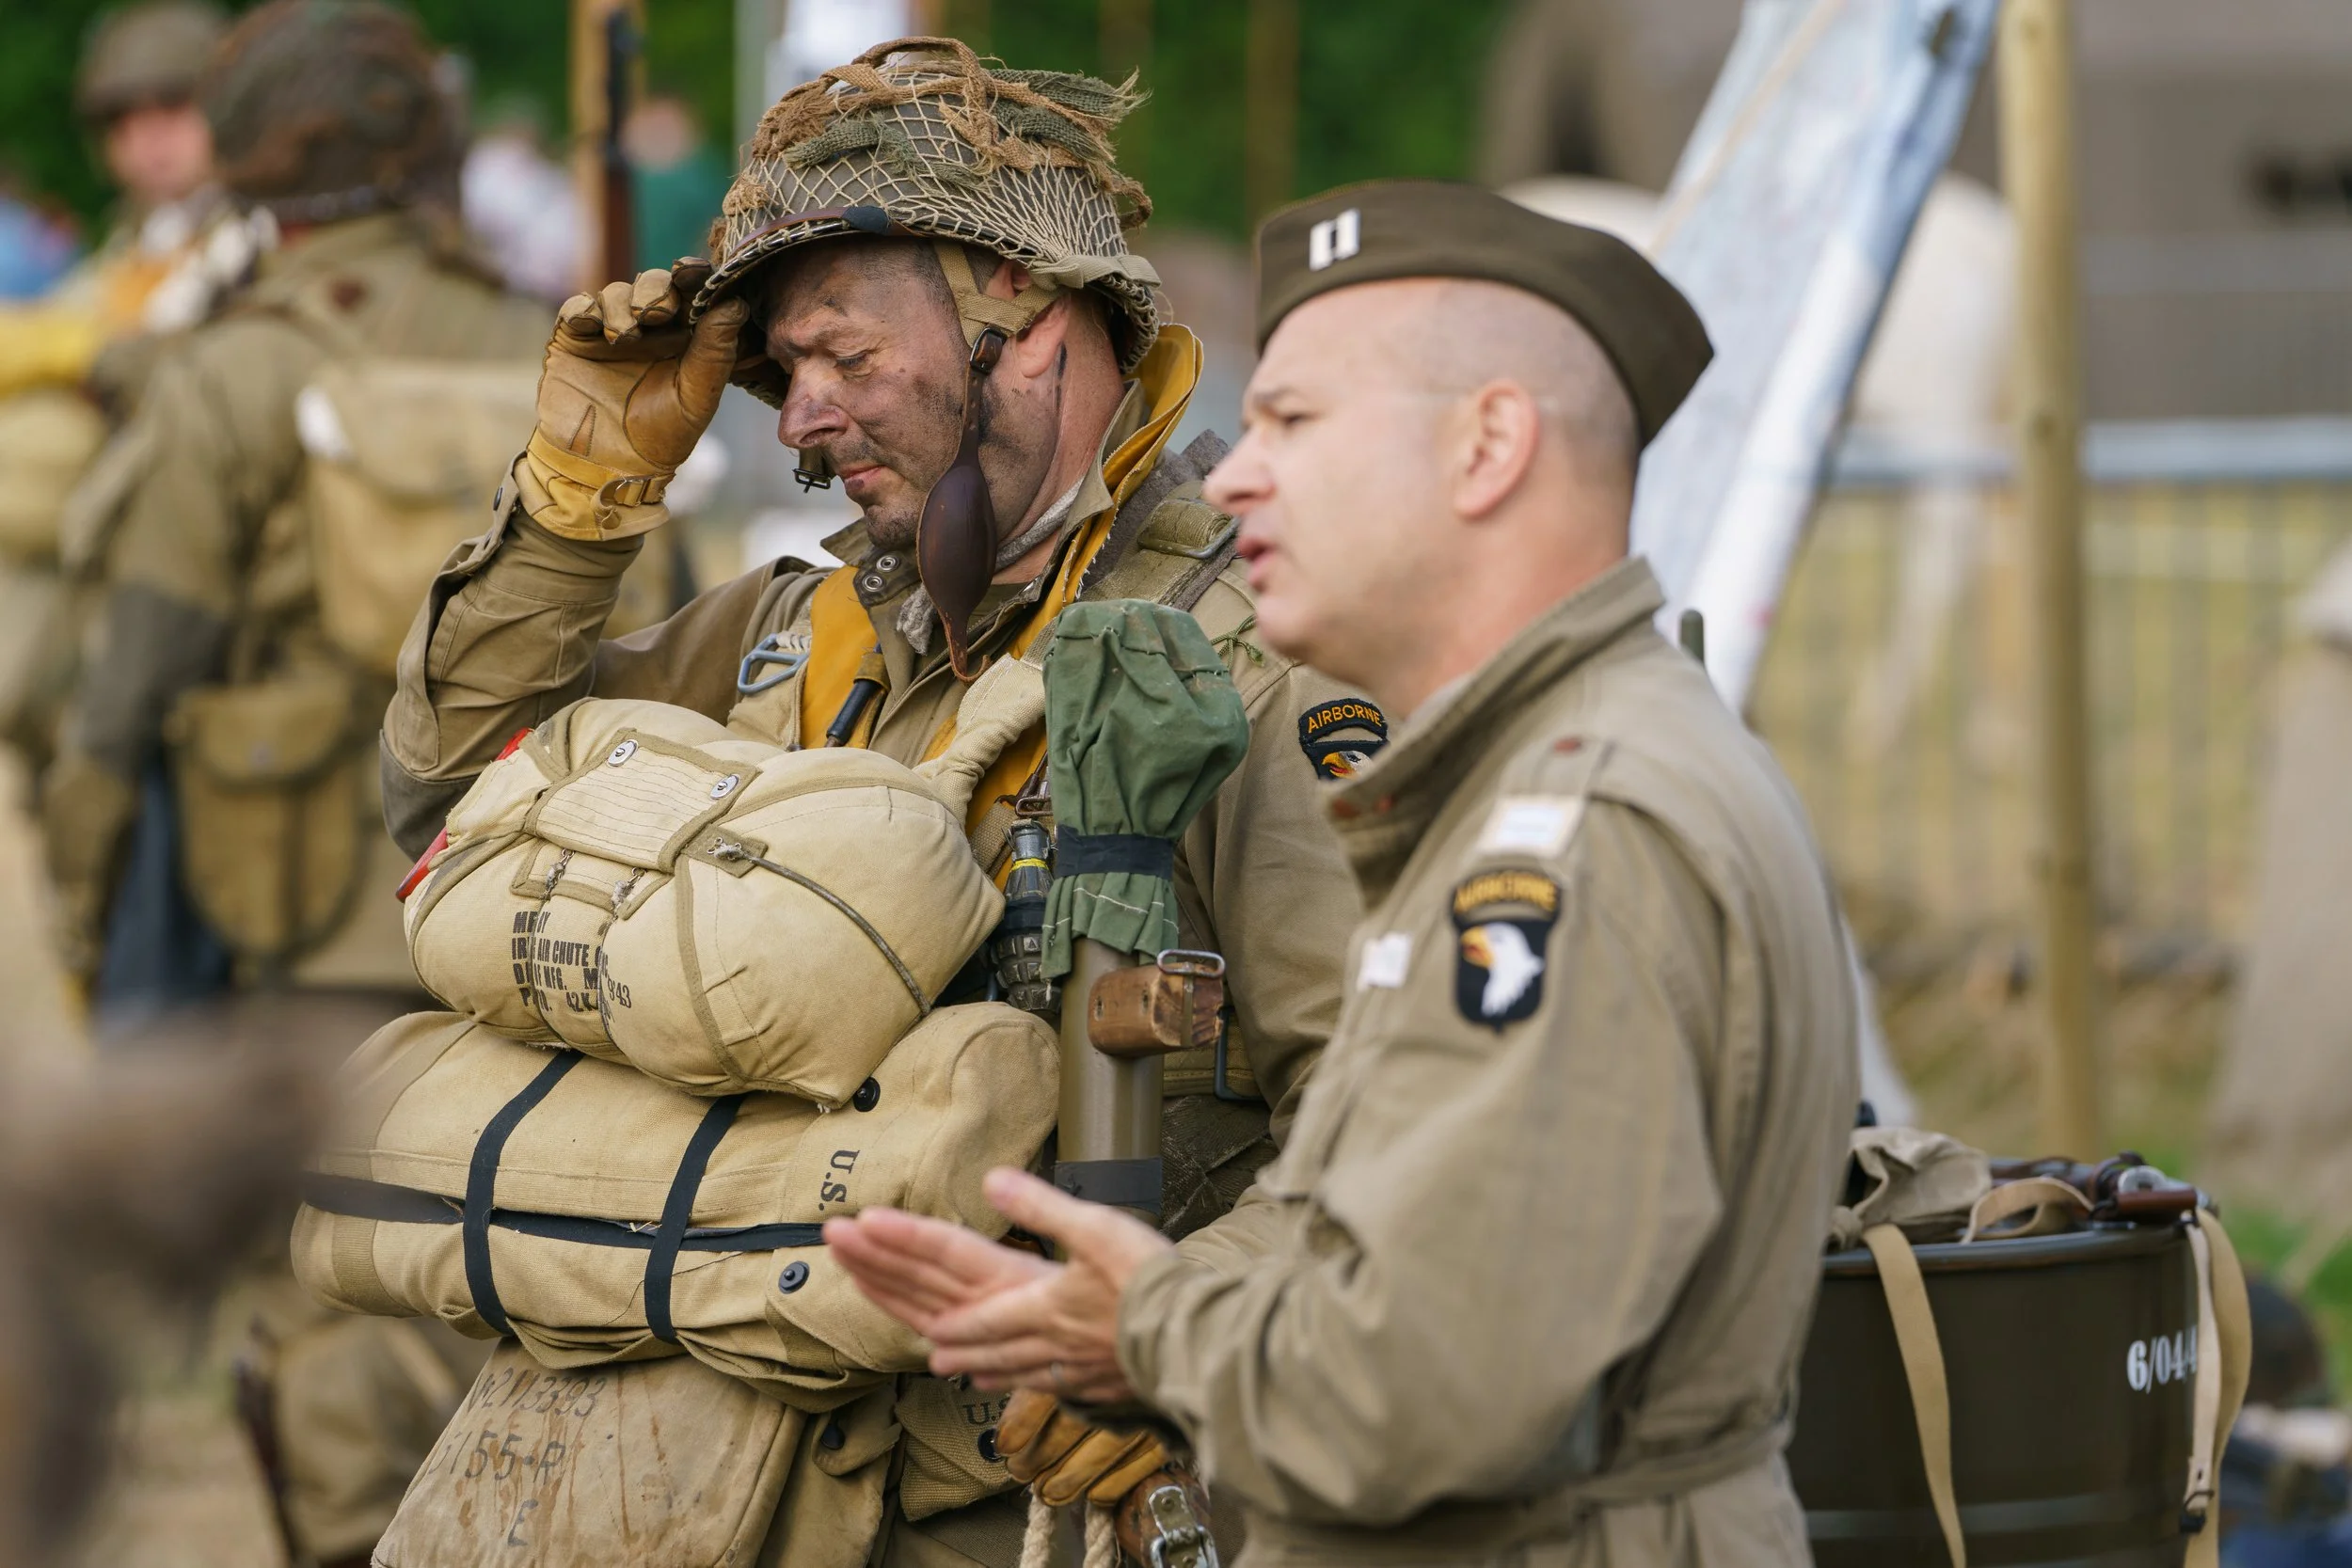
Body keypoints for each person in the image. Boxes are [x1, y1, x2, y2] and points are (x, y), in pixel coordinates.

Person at [376, 37, 1369, 1561]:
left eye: (845, 357)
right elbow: (451, 799)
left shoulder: (1261, 662)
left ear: (1024, 317)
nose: (795, 419)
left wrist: (1164, 1346)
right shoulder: (800, 631)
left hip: (1041, 1497)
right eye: (784, 373)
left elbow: (1388, 1130)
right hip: (732, 1472)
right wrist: (580, 509)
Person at [826, 180, 1861, 1566]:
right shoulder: (1544, 781)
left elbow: (1437, 1384)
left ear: (1490, 445)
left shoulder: (1576, 835)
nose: (1238, 472)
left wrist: (1145, 1326)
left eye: (1296, 423)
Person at [36, 4, 580, 1561]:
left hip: (272, 919)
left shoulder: (234, 364)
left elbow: (125, 688)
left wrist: (91, 920)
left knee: (313, 1313)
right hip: (507, 906)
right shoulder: (539, 340)